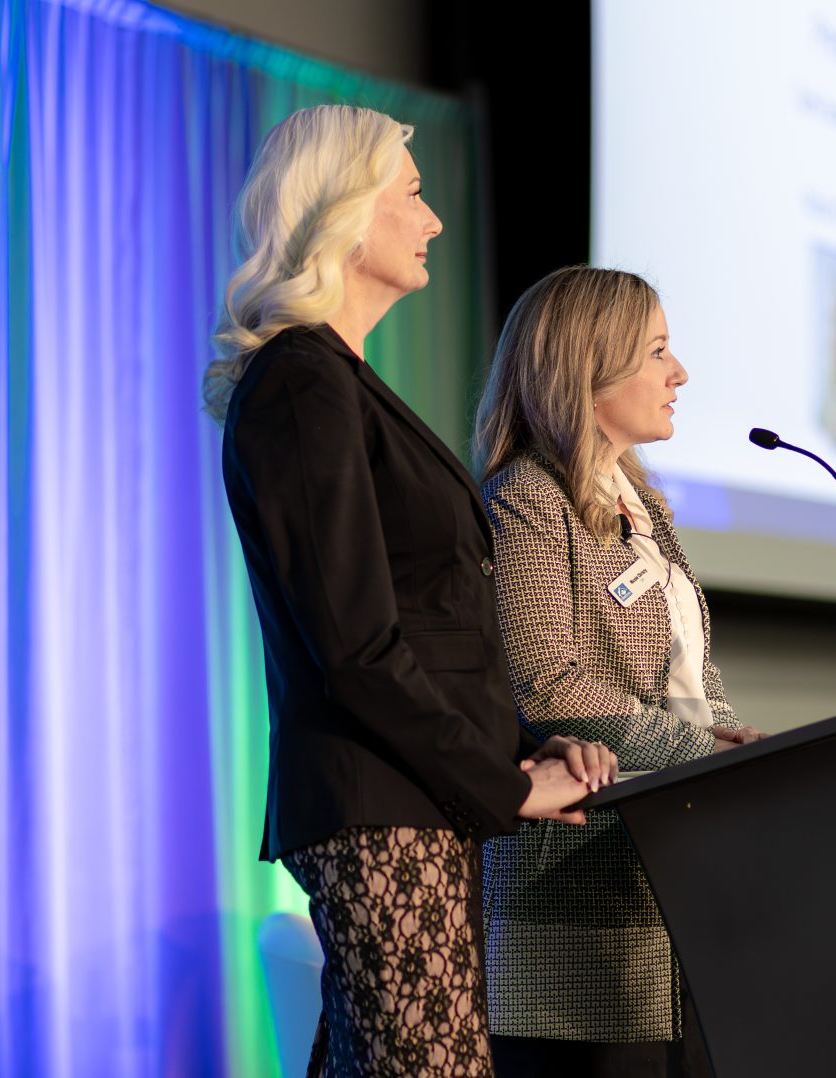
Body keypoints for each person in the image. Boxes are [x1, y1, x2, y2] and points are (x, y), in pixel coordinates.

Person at [206, 106, 616, 1077]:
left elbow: (428, 632)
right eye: (415, 193)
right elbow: (354, 647)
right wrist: (504, 785)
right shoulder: (302, 384)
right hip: (377, 807)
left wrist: (525, 745)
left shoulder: (335, 381)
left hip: (412, 805)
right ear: (347, 212)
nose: (433, 220)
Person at [471, 266, 766, 1077]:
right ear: (586, 367)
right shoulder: (527, 497)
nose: (680, 375)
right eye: (658, 352)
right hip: (578, 903)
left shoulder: (639, 503)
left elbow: (684, 674)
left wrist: (733, 736)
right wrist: (704, 752)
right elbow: (547, 682)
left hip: (675, 892)